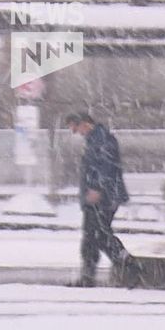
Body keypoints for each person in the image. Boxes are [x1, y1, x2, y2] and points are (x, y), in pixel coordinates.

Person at [64, 112, 140, 288]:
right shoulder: (94, 139)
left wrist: (97, 188)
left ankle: (130, 266)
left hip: (104, 197)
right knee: (91, 237)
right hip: (96, 197)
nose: (75, 132)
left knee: (100, 236)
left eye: (75, 128)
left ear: (85, 124)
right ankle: (89, 275)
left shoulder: (103, 139)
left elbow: (107, 166)